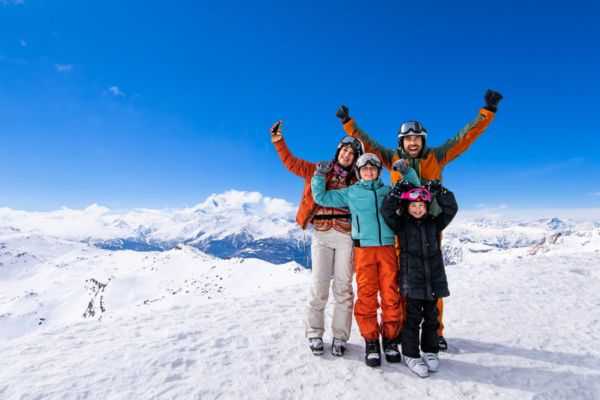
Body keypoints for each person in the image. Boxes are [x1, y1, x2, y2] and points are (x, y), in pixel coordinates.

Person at [335, 89, 503, 350]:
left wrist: (487, 112)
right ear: (401, 142)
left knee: (430, 279)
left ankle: (435, 332)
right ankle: (405, 329)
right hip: (401, 227)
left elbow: (464, 138)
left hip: (430, 226)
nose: (412, 143)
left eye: (417, 138)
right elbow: (366, 142)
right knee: (403, 280)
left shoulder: (437, 156)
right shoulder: (391, 159)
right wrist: (348, 123)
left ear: (423, 140)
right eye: (408, 139)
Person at [270, 120, 364, 357]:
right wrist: (279, 142)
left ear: (355, 159)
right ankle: (314, 333)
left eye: (352, 153)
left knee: (343, 288)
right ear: (338, 151)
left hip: (346, 235)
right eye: (344, 150)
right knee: (319, 285)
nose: (347, 155)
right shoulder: (317, 170)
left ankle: (340, 337)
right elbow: (292, 163)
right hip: (321, 233)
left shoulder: (357, 181)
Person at [311, 153, 410, 367]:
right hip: (363, 250)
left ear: (378, 171)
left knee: (391, 295)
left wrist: (407, 172)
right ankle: (371, 341)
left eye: (373, 168)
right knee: (366, 295)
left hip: (387, 248)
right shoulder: (351, 192)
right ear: (358, 172)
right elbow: (322, 197)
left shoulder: (388, 191)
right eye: (364, 169)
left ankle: (390, 340)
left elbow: (413, 192)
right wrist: (319, 175)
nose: (369, 172)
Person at [381, 165, 458, 378]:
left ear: (427, 206)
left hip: (433, 279)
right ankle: (411, 354)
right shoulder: (401, 225)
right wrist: (396, 192)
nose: (417, 209)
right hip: (412, 280)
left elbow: (451, 208)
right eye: (413, 205)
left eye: (421, 205)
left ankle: (430, 351)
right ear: (407, 207)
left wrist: (440, 191)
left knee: (432, 318)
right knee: (412, 320)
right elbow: (387, 210)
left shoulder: (435, 223)